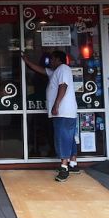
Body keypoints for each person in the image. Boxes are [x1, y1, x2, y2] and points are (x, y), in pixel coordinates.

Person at [22, 50, 79, 182]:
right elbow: (41, 70)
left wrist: (56, 105)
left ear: (58, 60)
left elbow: (63, 86)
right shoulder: (56, 72)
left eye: (52, 59)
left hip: (63, 111)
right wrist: (27, 61)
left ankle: (64, 168)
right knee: (68, 137)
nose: (50, 62)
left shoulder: (63, 69)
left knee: (62, 138)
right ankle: (73, 163)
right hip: (65, 112)